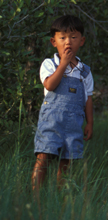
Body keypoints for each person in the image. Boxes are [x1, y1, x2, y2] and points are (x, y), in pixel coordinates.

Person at [32, 15, 94, 192]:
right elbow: (50, 85)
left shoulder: (85, 72)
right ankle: (35, 198)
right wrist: (63, 64)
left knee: (67, 161)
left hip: (74, 122)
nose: (68, 42)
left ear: (81, 41)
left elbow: (88, 98)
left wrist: (90, 123)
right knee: (44, 156)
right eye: (63, 38)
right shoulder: (50, 64)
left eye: (73, 37)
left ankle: (59, 198)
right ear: (54, 41)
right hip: (51, 120)